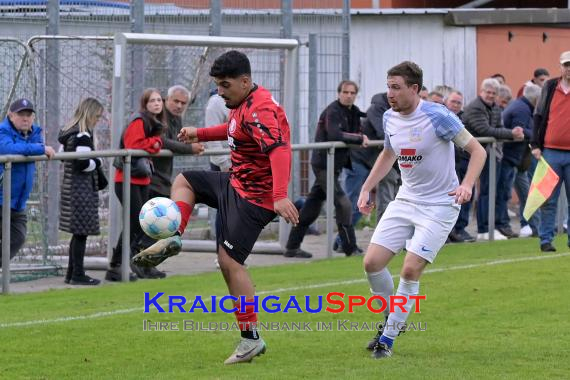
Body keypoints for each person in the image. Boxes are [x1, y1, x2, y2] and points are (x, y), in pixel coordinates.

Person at [132, 50, 299, 364]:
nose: (219, 92)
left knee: (229, 262)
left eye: (224, 85)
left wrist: (279, 195)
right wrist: (202, 133)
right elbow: (235, 129)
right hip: (234, 181)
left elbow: (279, 151)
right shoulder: (242, 103)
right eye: (217, 85)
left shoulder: (260, 109)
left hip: (256, 198)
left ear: (245, 81)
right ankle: (175, 234)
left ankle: (251, 339)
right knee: (185, 181)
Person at [357, 61, 487, 359]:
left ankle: (387, 340)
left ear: (414, 89)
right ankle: (394, 319)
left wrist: (466, 185)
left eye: (396, 87)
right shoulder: (390, 117)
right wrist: (367, 187)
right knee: (371, 263)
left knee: (410, 269)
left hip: (441, 205)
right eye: (388, 86)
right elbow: (389, 153)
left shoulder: (437, 115)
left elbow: (477, 150)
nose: (389, 93)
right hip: (406, 200)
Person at [285, 80, 368, 258]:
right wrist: (359, 139)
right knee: (343, 204)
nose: (349, 95)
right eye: (345, 92)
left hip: (335, 165)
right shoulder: (333, 110)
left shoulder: (354, 112)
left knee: (311, 208)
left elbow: (360, 129)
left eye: (352, 93)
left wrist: (361, 137)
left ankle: (292, 247)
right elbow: (335, 135)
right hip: (323, 164)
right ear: (339, 93)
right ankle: (349, 247)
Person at [141, 85, 204, 278]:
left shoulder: (176, 119)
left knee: (152, 226)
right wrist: (189, 148)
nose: (179, 105)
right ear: (166, 99)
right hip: (149, 178)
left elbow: (173, 141)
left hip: (161, 179)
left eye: (183, 103)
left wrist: (190, 141)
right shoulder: (159, 116)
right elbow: (163, 142)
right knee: (149, 225)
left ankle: (137, 264)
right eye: (175, 101)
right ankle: (141, 265)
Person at [106, 88, 164, 281]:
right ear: (145, 104)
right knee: (134, 223)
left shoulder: (153, 123)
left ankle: (134, 262)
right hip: (127, 179)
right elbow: (133, 145)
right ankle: (116, 265)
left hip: (141, 178)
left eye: (159, 100)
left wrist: (155, 142)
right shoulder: (139, 120)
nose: (157, 103)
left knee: (141, 224)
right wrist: (154, 144)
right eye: (152, 101)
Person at [463, 78, 524, 240]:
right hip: (468, 157)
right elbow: (485, 130)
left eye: (493, 93)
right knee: (480, 192)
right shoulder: (475, 107)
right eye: (487, 92)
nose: (490, 95)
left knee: (490, 192)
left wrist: (512, 132)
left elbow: (498, 129)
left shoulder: (495, 108)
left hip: (490, 155)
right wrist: (512, 133)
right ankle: (483, 229)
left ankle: (488, 228)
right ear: (481, 92)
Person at [0, 99, 55, 267]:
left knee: (18, 238)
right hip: (1, 198)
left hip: (17, 202)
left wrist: (39, 147)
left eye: (29, 115)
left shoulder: (34, 133)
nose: (25, 118)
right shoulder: (3, 132)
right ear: (10, 115)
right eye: (21, 114)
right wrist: (40, 149)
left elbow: (34, 145)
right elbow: (9, 149)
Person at [58, 98, 106, 285]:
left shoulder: (68, 132)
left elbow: (63, 157)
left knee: (77, 234)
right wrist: (100, 160)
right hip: (82, 190)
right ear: (90, 114)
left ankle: (72, 274)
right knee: (81, 234)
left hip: (72, 189)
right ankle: (77, 274)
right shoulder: (83, 135)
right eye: (97, 116)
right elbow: (84, 163)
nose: (98, 120)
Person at [531, 51, 570, 252]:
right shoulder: (550, 86)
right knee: (548, 199)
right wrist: (535, 144)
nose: (569, 69)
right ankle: (546, 239)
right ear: (560, 66)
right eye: (566, 65)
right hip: (550, 152)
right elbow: (538, 115)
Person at [499, 83, 541, 239]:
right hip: (512, 159)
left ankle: (536, 228)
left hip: (517, 160)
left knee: (525, 194)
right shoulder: (522, 109)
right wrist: (538, 136)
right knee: (522, 195)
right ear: (536, 99)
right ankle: (536, 228)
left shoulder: (521, 106)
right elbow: (520, 132)